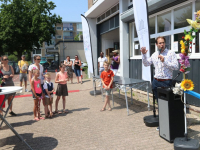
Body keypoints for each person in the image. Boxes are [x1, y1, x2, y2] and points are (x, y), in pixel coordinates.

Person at [140, 36, 178, 130]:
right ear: (156, 44)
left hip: (166, 82)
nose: (162, 44)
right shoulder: (154, 54)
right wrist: (144, 55)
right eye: (160, 43)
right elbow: (146, 64)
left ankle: (169, 125)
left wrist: (164, 61)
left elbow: (176, 66)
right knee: (160, 104)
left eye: (163, 42)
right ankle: (162, 124)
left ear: (165, 43)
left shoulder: (170, 53)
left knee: (167, 104)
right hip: (156, 81)